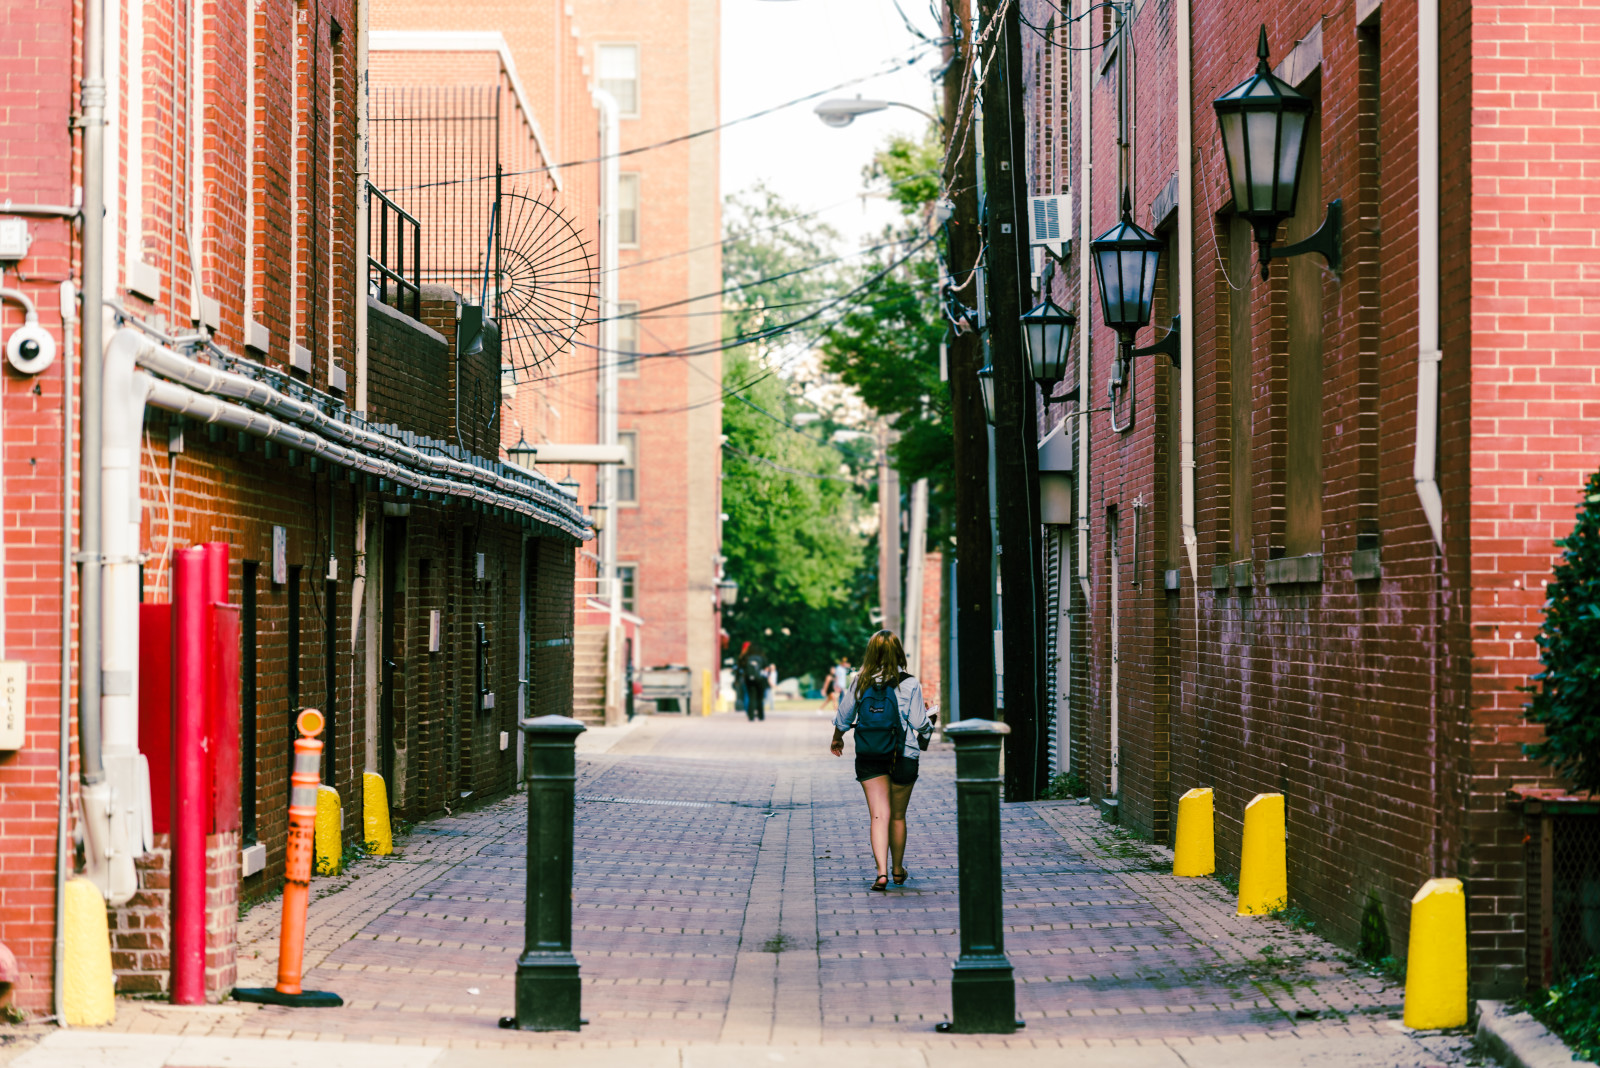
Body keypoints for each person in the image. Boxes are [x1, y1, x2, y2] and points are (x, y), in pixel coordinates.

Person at [829, 631, 934, 891]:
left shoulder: (860, 681)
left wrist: (837, 739)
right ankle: (898, 870)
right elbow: (921, 723)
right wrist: (931, 724)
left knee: (879, 816)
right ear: (899, 652)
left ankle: (881, 874)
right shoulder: (910, 683)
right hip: (903, 754)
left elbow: (843, 718)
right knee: (897, 816)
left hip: (870, 753)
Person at [740, 646, 768, 722]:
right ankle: (761, 716)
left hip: (749, 681)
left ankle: (751, 716)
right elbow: (766, 669)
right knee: (760, 698)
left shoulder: (748, 658)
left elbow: (743, 668)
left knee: (751, 698)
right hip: (760, 680)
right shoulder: (762, 658)